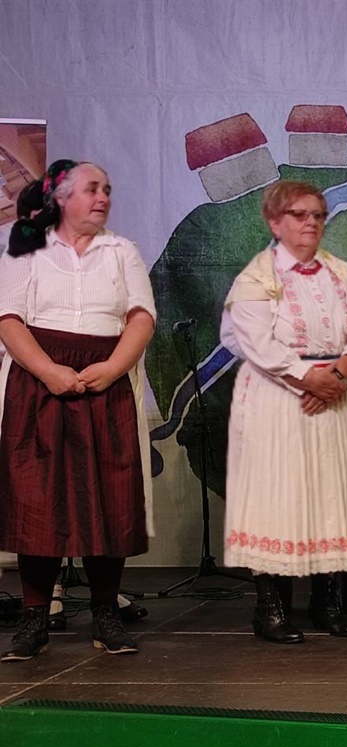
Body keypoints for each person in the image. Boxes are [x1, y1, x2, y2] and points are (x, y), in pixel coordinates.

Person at [0, 160, 156, 661]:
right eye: (92, 189)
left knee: (108, 496)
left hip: (103, 377)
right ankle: (33, 618)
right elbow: (8, 318)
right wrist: (48, 371)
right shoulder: (27, 248)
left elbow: (141, 316)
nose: (103, 197)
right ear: (62, 198)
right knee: (38, 499)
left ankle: (106, 613)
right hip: (39, 380)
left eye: (107, 189)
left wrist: (112, 368)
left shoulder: (122, 250)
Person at [220, 180, 347, 644]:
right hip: (278, 399)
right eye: (299, 215)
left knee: (332, 494)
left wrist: (339, 376)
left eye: (318, 215)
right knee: (278, 495)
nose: (311, 223)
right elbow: (255, 342)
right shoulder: (256, 278)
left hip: (337, 395)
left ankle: (327, 603)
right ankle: (270, 608)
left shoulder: (342, 273)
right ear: (275, 222)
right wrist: (308, 379)